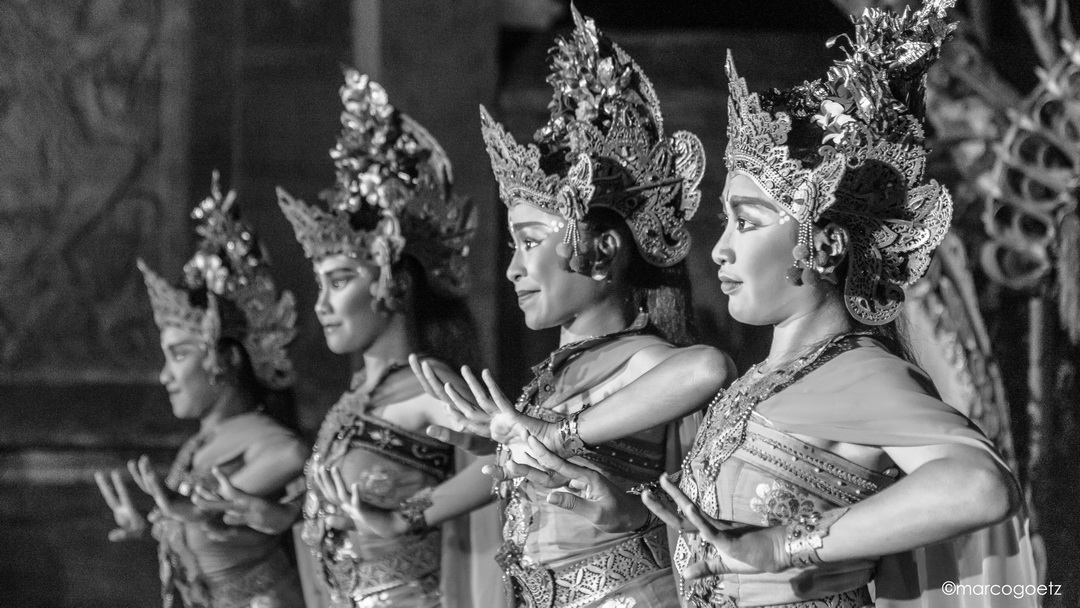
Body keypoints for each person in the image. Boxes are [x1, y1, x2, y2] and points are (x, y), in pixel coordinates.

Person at [506, 2, 1039, 607]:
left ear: (824, 244)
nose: (721, 252)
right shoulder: (762, 381)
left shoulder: (857, 372)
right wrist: (625, 513)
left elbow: (981, 486)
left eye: (746, 223)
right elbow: (723, 556)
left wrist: (789, 546)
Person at [420, 7, 734, 607]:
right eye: (514, 245)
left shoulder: (642, 356)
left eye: (532, 241)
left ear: (603, 250)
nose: (514, 266)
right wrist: (498, 449)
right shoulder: (558, 374)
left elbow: (707, 370)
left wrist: (556, 434)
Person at [274, 69, 498, 608]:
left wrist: (406, 516)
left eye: (340, 281)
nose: (322, 304)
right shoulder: (356, 398)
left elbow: (508, 461)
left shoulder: (426, 383)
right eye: (319, 284)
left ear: (392, 282)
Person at [95, 173, 308, 608]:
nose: (165, 376)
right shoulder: (200, 444)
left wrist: (197, 509)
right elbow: (189, 522)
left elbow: (293, 456)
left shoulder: (261, 436)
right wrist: (150, 523)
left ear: (224, 360)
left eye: (178, 355)